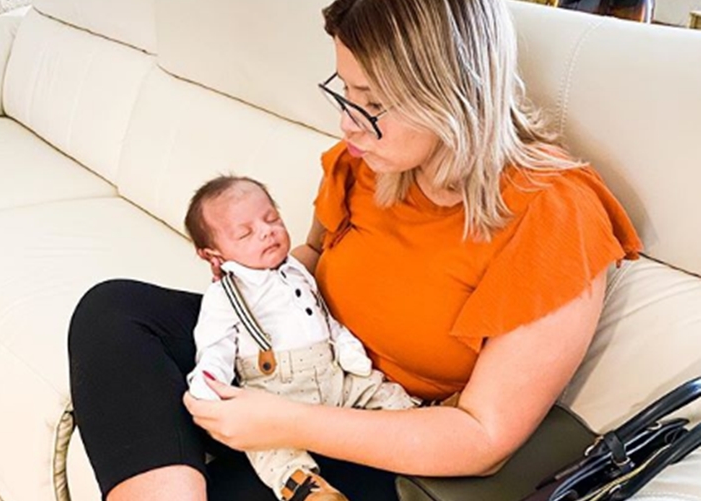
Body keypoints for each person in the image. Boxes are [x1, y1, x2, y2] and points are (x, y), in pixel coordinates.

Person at [67, 0, 643, 500]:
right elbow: (309, 258)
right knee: (114, 310)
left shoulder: (554, 214)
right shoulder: (370, 162)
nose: (348, 123)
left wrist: (285, 422)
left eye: (371, 101)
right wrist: (245, 304)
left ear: (449, 94)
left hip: (385, 422)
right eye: (345, 89)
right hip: (295, 353)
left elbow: (483, 439)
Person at [184, 175, 416, 501]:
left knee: (380, 390)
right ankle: (308, 489)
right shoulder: (225, 296)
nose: (267, 232)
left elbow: (321, 314)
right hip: (277, 392)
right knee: (268, 446)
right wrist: (210, 386)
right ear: (213, 256)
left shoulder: (296, 268)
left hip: (334, 374)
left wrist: (346, 345)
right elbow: (214, 346)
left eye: (272, 219)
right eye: (245, 233)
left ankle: (422, 423)